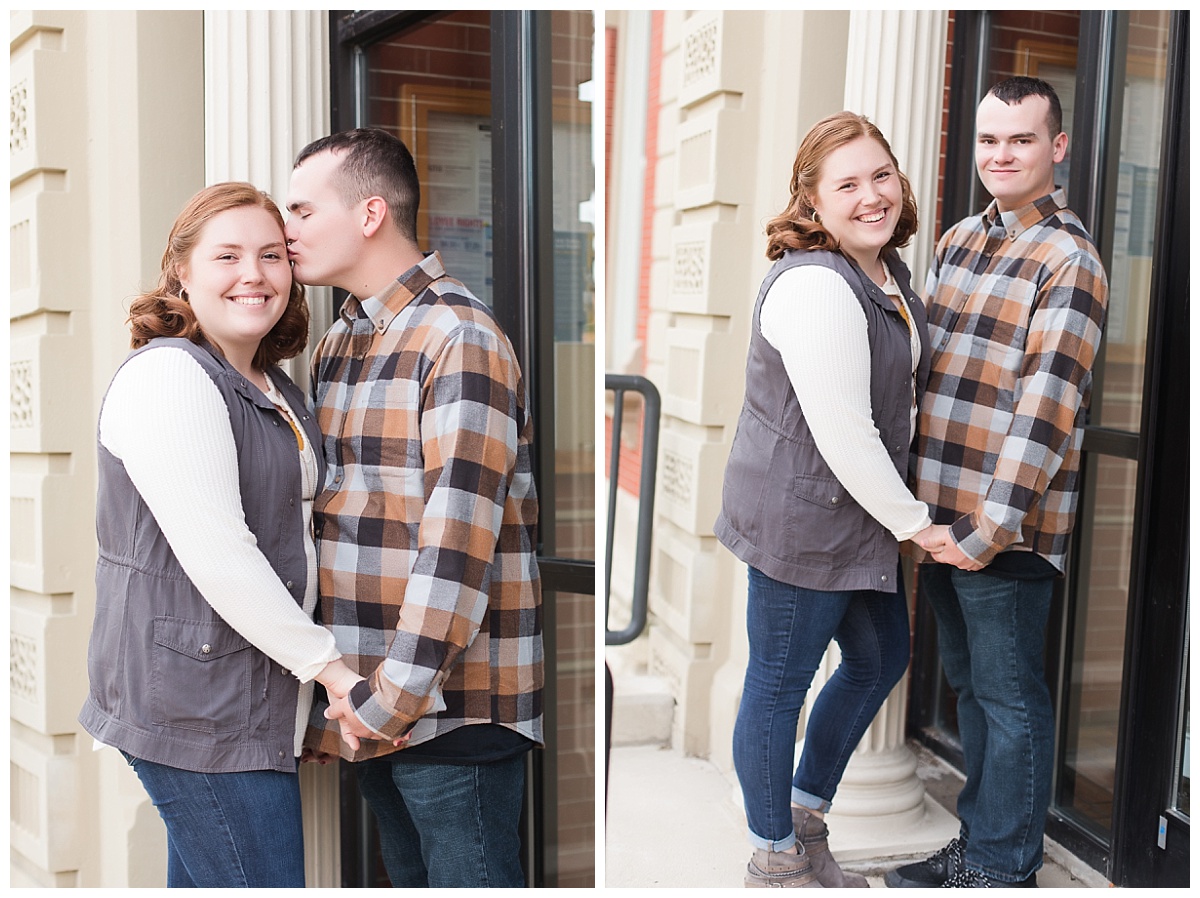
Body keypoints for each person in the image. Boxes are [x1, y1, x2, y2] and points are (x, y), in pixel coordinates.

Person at [78, 182, 365, 887]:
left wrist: (298, 710)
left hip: (249, 704)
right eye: (227, 255)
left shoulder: (275, 386)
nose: (254, 275)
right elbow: (221, 555)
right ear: (181, 269)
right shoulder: (170, 378)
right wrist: (329, 673)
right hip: (194, 710)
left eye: (271, 255)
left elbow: (295, 537)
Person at [284, 128, 543, 888]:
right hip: (366, 705)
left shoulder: (458, 336)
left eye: (302, 210)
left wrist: (390, 701)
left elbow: (456, 544)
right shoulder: (339, 343)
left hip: (450, 710)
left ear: (369, 214)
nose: (286, 229)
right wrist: (338, 702)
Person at [885, 77, 1108, 889]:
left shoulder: (1069, 260)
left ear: (1058, 147)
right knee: (973, 693)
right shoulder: (956, 240)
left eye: (1020, 140)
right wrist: (916, 518)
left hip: (1002, 532)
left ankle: (1004, 867)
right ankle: (978, 845)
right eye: (989, 140)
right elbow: (927, 376)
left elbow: (1046, 412)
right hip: (938, 521)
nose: (1000, 155)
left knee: (1010, 704)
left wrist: (986, 532)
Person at [713, 111, 942, 888]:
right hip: (805, 521)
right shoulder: (816, 284)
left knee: (880, 658)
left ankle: (804, 815)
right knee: (780, 683)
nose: (871, 195)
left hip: (857, 521)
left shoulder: (883, 271)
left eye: (881, 175)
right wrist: (921, 527)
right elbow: (846, 433)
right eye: (847, 184)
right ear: (810, 199)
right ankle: (774, 856)